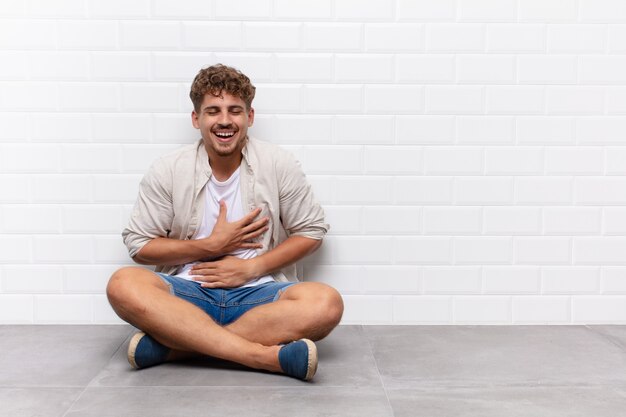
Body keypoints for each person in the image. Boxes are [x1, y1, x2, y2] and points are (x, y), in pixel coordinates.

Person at [106, 64, 343, 381]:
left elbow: (311, 231)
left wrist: (251, 268)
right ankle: (261, 357)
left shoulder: (278, 163)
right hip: (189, 294)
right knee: (122, 284)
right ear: (196, 119)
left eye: (235, 110)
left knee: (326, 303)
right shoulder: (168, 168)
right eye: (213, 111)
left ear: (250, 117)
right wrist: (209, 246)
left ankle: (178, 347)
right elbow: (139, 245)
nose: (225, 120)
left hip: (258, 297)